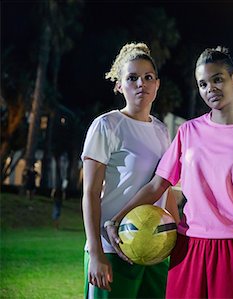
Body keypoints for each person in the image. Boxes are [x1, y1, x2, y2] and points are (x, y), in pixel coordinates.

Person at [105, 46, 233, 299]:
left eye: (217, 79)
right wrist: (116, 220)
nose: (210, 88)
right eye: (202, 84)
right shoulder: (188, 132)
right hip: (187, 247)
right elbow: (157, 185)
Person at [81, 42, 180, 298]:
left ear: (157, 85)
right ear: (119, 85)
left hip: (156, 246)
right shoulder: (107, 125)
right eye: (132, 78)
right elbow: (91, 193)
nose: (141, 84)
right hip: (114, 248)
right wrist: (96, 252)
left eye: (148, 77)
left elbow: (163, 187)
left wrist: (178, 233)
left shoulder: (161, 130)